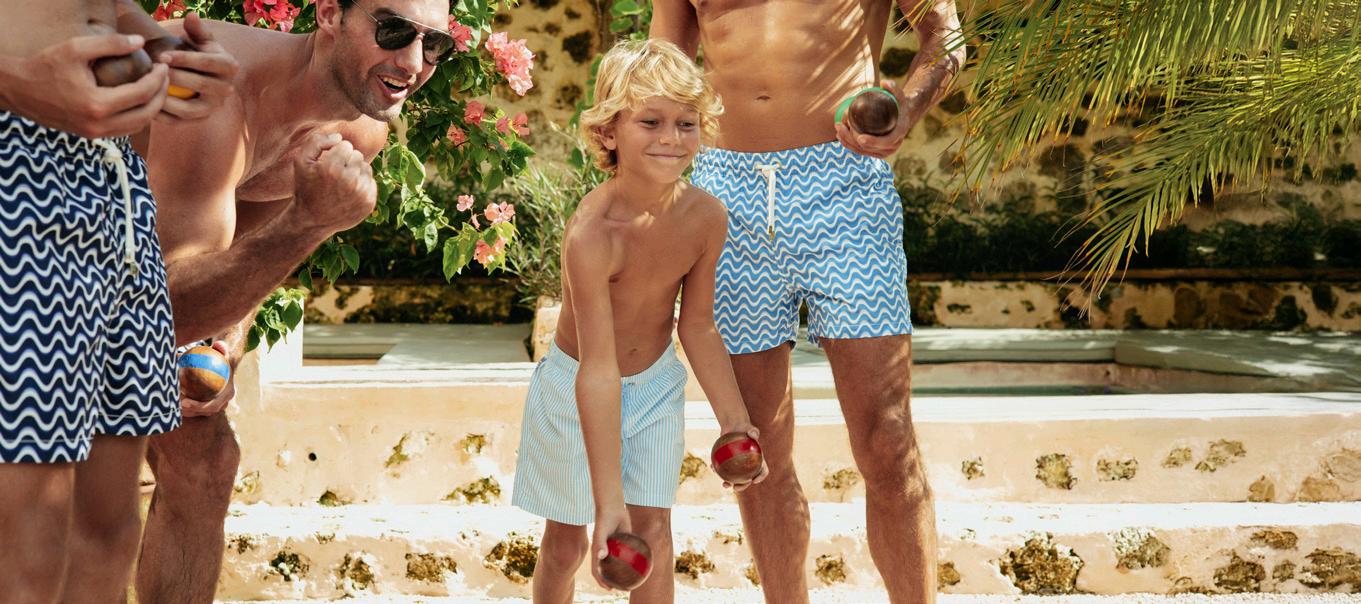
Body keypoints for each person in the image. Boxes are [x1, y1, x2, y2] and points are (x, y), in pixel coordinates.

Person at [128, 0, 454, 600]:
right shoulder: (215, 91)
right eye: (393, 31)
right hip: (33, 244)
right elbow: (162, 312)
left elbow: (242, 250)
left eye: (434, 44)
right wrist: (310, 223)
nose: (413, 62)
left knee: (203, 463)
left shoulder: (358, 130)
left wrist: (226, 343)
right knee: (69, 490)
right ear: (329, 14)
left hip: (121, 266)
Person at [651, 1, 964, 602]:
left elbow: (946, 34)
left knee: (887, 439)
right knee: (756, 449)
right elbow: (662, 68)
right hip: (725, 190)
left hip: (844, 184)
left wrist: (907, 107)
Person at [511, 38, 766, 604]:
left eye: (686, 124)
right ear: (609, 133)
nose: (671, 138)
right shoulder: (592, 234)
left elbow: (696, 326)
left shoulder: (706, 217)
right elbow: (598, 369)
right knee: (566, 548)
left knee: (654, 537)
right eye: (650, 122)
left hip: (654, 386)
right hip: (576, 386)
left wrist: (735, 422)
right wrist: (608, 503)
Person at [0, 1, 237, 601]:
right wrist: (12, 79)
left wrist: (156, 51)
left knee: (106, 530)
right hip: (15, 170)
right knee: (26, 543)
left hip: (115, 187)